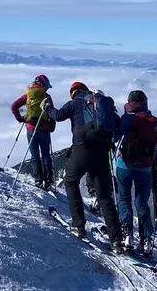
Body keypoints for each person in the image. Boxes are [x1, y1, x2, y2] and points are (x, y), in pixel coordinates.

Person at [44, 82, 125, 251]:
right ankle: (116, 240)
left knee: (71, 182)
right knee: (104, 197)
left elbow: (58, 116)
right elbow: (117, 123)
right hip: (102, 151)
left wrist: (47, 107)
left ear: (74, 92)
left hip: (83, 148)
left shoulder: (75, 102)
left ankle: (78, 225)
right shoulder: (102, 102)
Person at [113, 90, 157, 255]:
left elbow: (115, 138)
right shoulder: (153, 121)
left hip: (124, 165)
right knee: (141, 202)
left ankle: (127, 233)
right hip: (146, 168)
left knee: (124, 197)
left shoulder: (127, 118)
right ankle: (146, 238)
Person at [10, 74, 56, 190]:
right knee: (46, 155)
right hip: (44, 129)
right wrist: (51, 127)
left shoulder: (28, 95)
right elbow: (52, 114)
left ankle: (38, 180)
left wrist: (20, 119)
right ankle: (48, 182)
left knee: (34, 154)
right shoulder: (47, 97)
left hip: (31, 129)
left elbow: (14, 106)